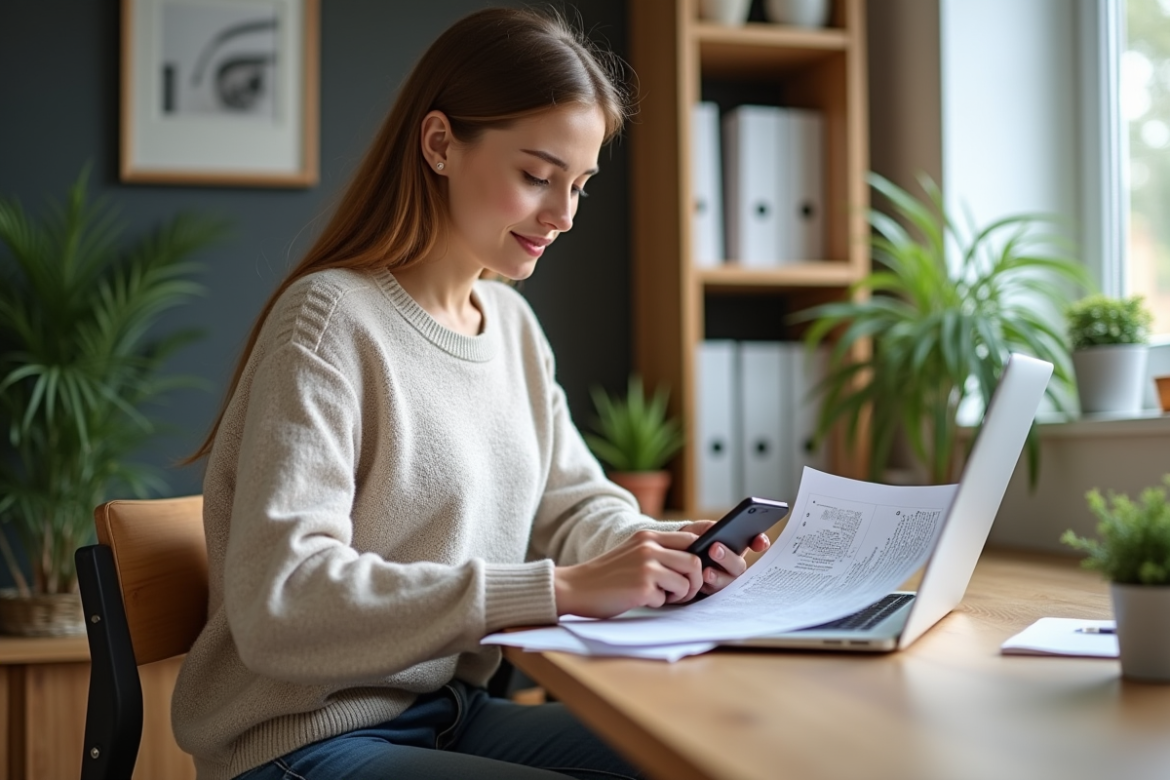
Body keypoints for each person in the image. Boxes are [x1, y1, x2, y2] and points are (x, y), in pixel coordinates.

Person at [172, 8, 770, 780]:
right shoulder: (327, 321)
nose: (563, 215)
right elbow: (282, 601)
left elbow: (575, 505)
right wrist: (560, 589)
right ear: (440, 144)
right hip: (307, 739)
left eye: (580, 185)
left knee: (709, 759)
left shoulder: (512, 328)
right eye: (536, 176)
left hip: (451, 714)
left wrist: (659, 550)